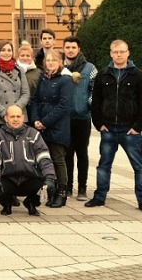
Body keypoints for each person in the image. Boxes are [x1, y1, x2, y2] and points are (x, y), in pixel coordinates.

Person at [85, 40, 142, 210]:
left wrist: (138, 127)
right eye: (115, 52)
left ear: (128, 53)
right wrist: (99, 124)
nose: (119, 55)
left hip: (130, 129)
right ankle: (99, 197)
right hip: (108, 129)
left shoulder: (138, 75)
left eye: (122, 52)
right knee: (104, 165)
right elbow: (96, 102)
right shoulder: (103, 74)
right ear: (110, 53)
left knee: (139, 166)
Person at [0, 104, 56, 216]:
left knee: (48, 186)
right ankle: (7, 204)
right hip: (8, 179)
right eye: (12, 116)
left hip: (29, 178)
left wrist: (50, 178)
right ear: (6, 118)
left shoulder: (33, 134)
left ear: (23, 118)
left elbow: (44, 158)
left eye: (18, 117)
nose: (15, 119)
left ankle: (31, 203)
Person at [30, 50, 72, 208]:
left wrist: (45, 122)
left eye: (54, 60)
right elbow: (35, 100)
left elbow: (64, 105)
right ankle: (50, 190)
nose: (50, 63)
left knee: (58, 159)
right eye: (48, 60)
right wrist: (35, 119)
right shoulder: (43, 78)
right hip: (41, 125)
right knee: (43, 160)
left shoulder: (65, 80)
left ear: (60, 62)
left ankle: (62, 192)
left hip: (58, 126)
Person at [62, 36, 97, 201]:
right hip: (64, 118)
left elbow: (94, 91)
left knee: (82, 153)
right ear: (63, 49)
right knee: (67, 154)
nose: (70, 50)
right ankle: (67, 188)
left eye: (73, 47)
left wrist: (87, 105)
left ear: (78, 49)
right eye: (67, 47)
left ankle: (82, 188)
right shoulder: (60, 67)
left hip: (82, 117)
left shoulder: (90, 68)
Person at [0, 41, 30, 132]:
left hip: (18, 117)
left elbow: (26, 93)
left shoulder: (19, 70)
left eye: (9, 50)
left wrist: (15, 111)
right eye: (3, 50)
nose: (6, 53)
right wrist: (5, 113)